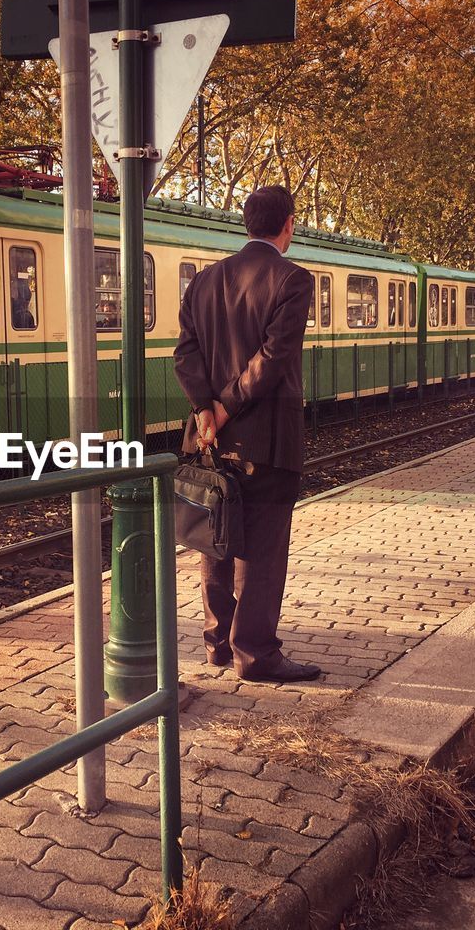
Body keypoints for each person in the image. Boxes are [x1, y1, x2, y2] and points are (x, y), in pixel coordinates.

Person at [173, 185, 321, 684]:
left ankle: (217, 644)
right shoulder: (293, 280)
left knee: (214, 538)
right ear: (288, 225)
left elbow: (184, 355)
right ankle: (255, 654)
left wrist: (205, 410)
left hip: (208, 440)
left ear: (246, 223)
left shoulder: (203, 281)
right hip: (268, 441)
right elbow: (274, 358)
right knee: (263, 549)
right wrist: (226, 407)